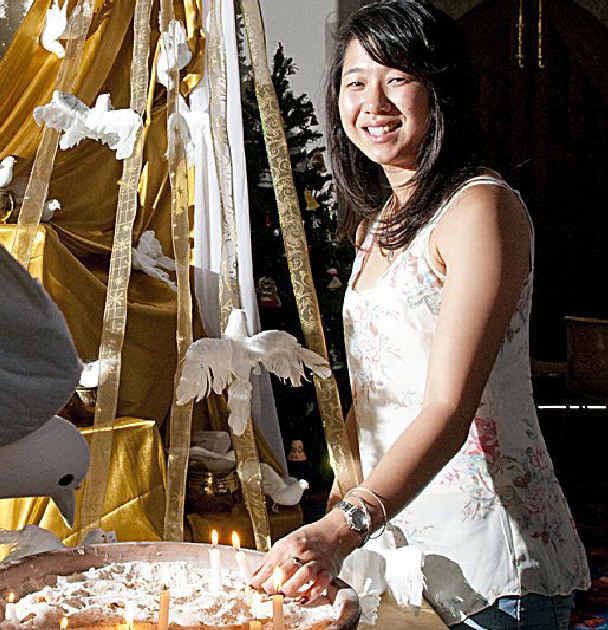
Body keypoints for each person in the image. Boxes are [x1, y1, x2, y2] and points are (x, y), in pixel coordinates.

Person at [249, 2, 590, 628]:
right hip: (396, 551)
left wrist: (342, 527)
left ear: (441, 90)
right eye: (355, 82)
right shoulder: (377, 225)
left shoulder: (480, 209)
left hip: (490, 563)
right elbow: (374, 396)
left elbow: (447, 407)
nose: (372, 103)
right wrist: (331, 524)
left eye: (397, 78)